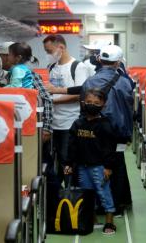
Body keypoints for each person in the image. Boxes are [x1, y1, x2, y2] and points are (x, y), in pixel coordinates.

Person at [80, 45, 134, 215]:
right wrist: (128, 134)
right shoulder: (124, 82)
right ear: (118, 62)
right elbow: (128, 109)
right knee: (117, 165)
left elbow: (83, 108)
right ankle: (118, 204)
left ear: (100, 61)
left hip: (94, 132)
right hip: (117, 133)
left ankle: (98, 205)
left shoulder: (89, 82)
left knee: (95, 166)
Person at [64, 88, 117, 235]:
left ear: (103, 105)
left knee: (104, 194)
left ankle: (109, 221)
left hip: (99, 167)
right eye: (88, 102)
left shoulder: (105, 125)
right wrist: (69, 164)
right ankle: (91, 220)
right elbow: (71, 146)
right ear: (82, 103)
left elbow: (109, 149)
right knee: (86, 195)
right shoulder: (77, 124)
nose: (91, 105)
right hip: (82, 167)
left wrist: (108, 167)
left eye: (96, 103)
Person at [43, 35, 91, 186]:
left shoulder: (77, 66)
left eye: (49, 51)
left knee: (68, 160)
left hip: (69, 122)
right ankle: (58, 196)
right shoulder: (51, 67)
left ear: (61, 48)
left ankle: (71, 193)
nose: (48, 55)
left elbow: (80, 94)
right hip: (53, 123)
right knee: (55, 162)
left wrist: (53, 100)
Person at [2, 42, 53, 144]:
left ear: (17, 57)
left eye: (8, 55)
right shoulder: (7, 74)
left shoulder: (21, 71)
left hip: (27, 118)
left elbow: (46, 99)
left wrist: (47, 128)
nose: (6, 58)